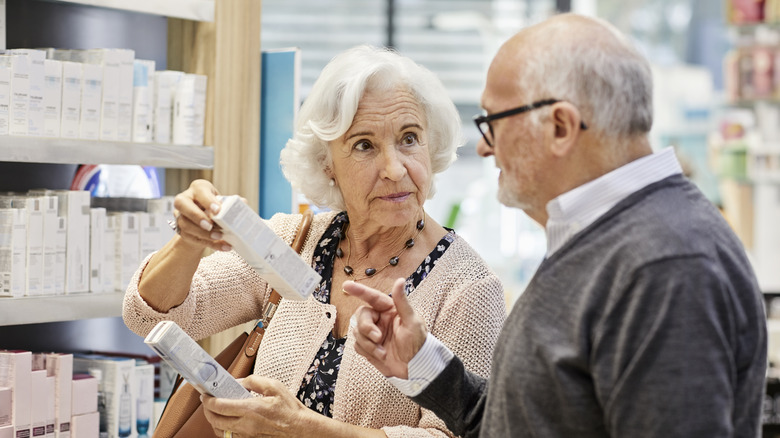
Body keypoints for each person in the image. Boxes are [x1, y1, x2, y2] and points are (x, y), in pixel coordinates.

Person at [346, 13, 768, 438]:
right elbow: (535, 418)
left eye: (492, 121)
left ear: (560, 127)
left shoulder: (666, 265)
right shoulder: (607, 237)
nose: (483, 146)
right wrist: (423, 366)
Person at [122, 44, 506, 438]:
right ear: (328, 164)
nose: (394, 168)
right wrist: (189, 239)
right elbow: (150, 315)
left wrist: (302, 428)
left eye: (409, 138)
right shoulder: (295, 241)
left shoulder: (468, 289)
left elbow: (454, 435)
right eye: (364, 145)